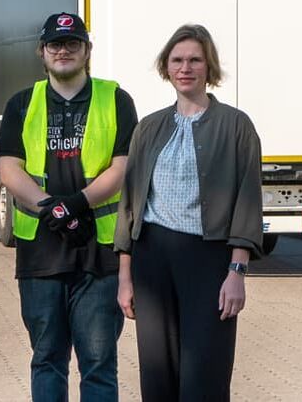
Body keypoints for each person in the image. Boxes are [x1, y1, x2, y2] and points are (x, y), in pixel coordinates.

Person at [115, 24, 263, 402]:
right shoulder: (148, 128)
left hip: (208, 259)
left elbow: (247, 200)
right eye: (177, 60)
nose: (186, 67)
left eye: (195, 60)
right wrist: (125, 278)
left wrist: (237, 272)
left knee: (205, 375)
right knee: (158, 373)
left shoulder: (236, 126)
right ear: (166, 67)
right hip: (153, 259)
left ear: (208, 67)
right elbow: (130, 206)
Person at [0, 13, 136, 402]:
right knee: (47, 359)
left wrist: (76, 204)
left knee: (99, 363)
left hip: (99, 254)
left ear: (87, 51)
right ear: (41, 52)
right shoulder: (22, 103)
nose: (63, 51)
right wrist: (49, 208)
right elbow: (9, 167)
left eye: (72, 43)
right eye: (55, 44)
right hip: (41, 253)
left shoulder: (116, 99)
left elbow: (122, 167)